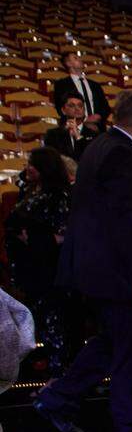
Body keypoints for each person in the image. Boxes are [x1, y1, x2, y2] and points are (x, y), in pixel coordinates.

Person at [36, 89, 132, 432]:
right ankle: (131, 429)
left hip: (105, 275)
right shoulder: (120, 153)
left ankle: (57, 398)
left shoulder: (101, 145)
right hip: (123, 278)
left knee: (109, 343)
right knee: (131, 350)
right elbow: (123, 222)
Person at [4, 148, 74, 377]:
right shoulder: (33, 191)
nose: (28, 168)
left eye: (33, 164)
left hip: (49, 270)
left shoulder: (58, 195)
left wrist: (31, 238)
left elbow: (64, 234)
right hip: (30, 269)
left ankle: (59, 377)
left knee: (54, 324)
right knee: (41, 323)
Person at [52, 52, 110, 132]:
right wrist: (83, 123)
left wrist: (98, 116)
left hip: (97, 128)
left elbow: (105, 107)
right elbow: (61, 108)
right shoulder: (61, 85)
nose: (80, 60)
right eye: (76, 58)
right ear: (68, 64)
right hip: (74, 128)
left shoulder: (95, 85)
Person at [43, 91, 97, 162]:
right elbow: (50, 160)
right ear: (63, 110)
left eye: (80, 106)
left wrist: (78, 136)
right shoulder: (52, 134)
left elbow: (91, 158)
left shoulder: (93, 134)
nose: (77, 108)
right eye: (72, 105)